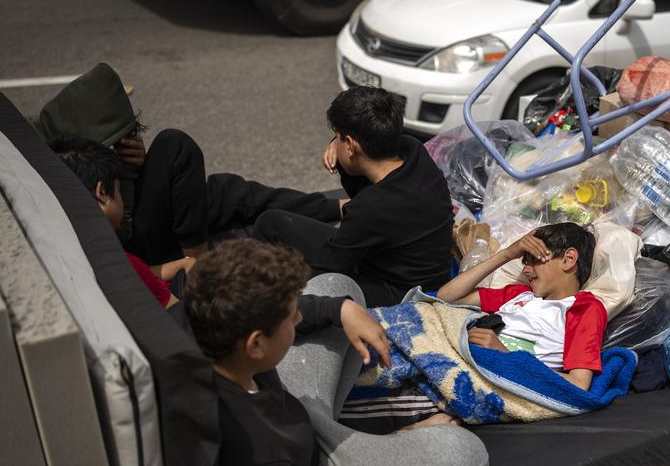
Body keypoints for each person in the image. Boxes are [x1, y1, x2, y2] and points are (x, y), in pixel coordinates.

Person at [182, 239, 488, 466]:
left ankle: (360, 435)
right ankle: (369, 459)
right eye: (289, 318)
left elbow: (311, 309)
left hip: (293, 423)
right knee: (466, 456)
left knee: (338, 289)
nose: (298, 317)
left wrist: (336, 309)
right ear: (255, 344)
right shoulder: (259, 461)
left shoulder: (194, 328)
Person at [36, 63, 347, 266]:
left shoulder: (87, 171)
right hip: (148, 252)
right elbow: (132, 269)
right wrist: (188, 263)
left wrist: (136, 166)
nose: (127, 142)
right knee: (175, 144)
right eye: (119, 139)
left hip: (141, 228)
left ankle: (334, 208)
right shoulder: (82, 199)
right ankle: (198, 254)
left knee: (227, 190)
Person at [251, 87, 453, 307]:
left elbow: (330, 268)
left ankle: (254, 306)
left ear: (350, 145)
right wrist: (340, 149)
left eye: (336, 137)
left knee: (302, 285)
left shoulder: (372, 207)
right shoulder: (413, 150)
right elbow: (363, 183)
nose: (333, 143)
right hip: (410, 264)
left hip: (401, 293)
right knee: (274, 223)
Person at [437, 223, 606, 391]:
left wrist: (505, 355)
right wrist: (506, 254)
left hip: (492, 378)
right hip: (462, 359)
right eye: (525, 261)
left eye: (534, 260)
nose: (525, 270)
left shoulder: (584, 308)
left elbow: (578, 384)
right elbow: (447, 297)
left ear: (568, 259)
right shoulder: (519, 294)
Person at [51, 135, 190, 308]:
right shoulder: (124, 264)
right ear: (101, 193)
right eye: (118, 190)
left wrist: (184, 263)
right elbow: (179, 315)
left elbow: (146, 273)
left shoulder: (80, 248)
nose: (122, 200)